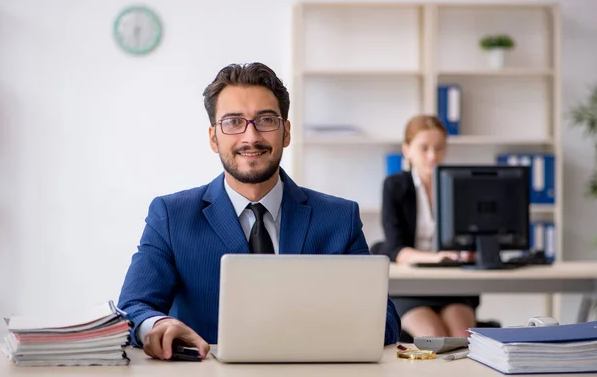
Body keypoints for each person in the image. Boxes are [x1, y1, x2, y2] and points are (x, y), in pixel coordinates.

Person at [117, 62, 401, 360]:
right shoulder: (171, 215)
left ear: (286, 132)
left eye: (266, 120)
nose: (250, 137)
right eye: (233, 122)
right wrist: (159, 324)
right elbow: (133, 308)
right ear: (214, 138)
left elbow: (385, 321)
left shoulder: (339, 217)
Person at [375, 115, 478, 338]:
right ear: (407, 150)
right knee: (434, 335)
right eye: (424, 148)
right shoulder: (394, 186)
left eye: (439, 148)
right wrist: (437, 258)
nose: (432, 156)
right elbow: (396, 249)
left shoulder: (458, 186)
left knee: (462, 335)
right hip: (411, 285)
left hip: (451, 285)